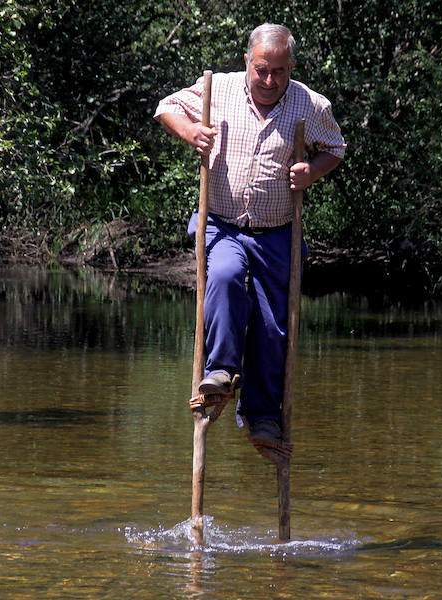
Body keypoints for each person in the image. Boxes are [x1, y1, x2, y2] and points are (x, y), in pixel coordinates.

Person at [155, 23, 345, 445]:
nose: (270, 80)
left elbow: (335, 148)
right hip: (222, 223)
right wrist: (190, 132)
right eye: (262, 70)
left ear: (290, 67)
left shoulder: (309, 105)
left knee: (273, 325)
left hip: (277, 232)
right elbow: (166, 106)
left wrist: (310, 171)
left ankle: (261, 415)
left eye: (279, 71)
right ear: (247, 62)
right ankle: (220, 372)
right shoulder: (216, 89)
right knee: (222, 276)